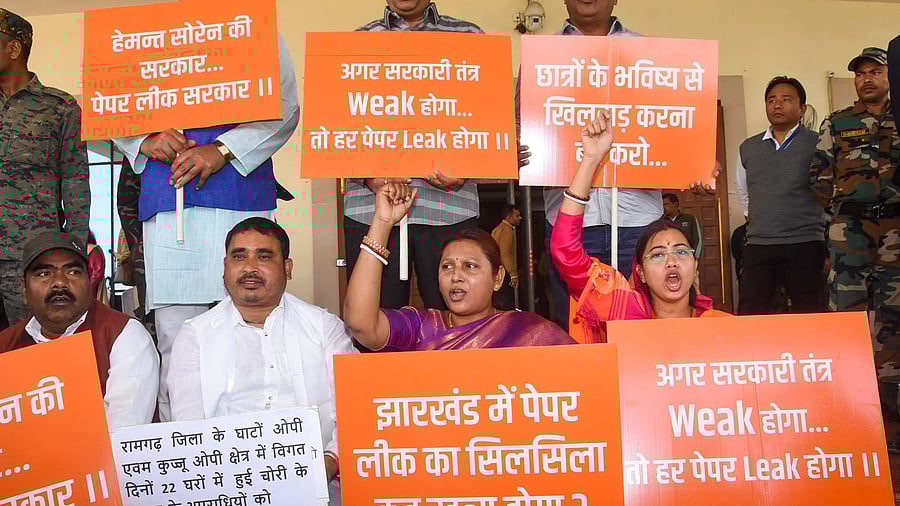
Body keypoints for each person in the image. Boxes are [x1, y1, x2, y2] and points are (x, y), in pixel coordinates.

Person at [112, 34, 299, 421]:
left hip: (242, 199)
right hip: (170, 208)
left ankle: (261, 451)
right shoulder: (141, 37)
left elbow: (285, 106)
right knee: (177, 342)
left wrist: (223, 150)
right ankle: (189, 457)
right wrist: (143, 139)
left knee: (256, 334)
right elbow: (107, 107)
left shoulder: (254, 30)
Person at [167, 218, 355, 503]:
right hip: (225, 485)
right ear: (225, 267)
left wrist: (330, 460)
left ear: (287, 268)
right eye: (239, 256)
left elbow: (352, 409)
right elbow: (188, 426)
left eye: (264, 256)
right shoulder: (195, 335)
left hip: (316, 481)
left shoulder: (323, 327)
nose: (249, 268)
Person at [515, 0, 668, 331]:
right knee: (574, 326)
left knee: (645, 326)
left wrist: (693, 168)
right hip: (568, 226)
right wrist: (513, 150)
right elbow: (517, 127)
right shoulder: (542, 59)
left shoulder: (649, 54)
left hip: (638, 222)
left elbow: (673, 128)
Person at [344, 1, 484, 313]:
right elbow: (340, 128)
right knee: (373, 323)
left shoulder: (470, 38)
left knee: (459, 326)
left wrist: (469, 167)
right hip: (372, 212)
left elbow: (488, 123)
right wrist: (368, 176)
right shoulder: (355, 44)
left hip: (451, 211)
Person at [552, 116, 728, 343]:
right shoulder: (625, 313)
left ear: (695, 266)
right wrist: (591, 159)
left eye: (681, 251)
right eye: (657, 255)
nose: (671, 261)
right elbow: (565, 251)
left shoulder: (721, 328)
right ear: (640, 273)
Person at [343, 183, 573, 351]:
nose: (456, 276)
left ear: (498, 277)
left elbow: (582, 374)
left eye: (470, 266)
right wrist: (382, 223)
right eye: (447, 267)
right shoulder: (421, 327)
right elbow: (361, 324)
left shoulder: (528, 331)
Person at [0, 234, 158, 429]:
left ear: (89, 281)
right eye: (44, 274)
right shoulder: (5, 346)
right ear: (24, 289)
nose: (60, 283)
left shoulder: (122, 334)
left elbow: (123, 434)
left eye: (73, 272)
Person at [0, 9, 89, 328]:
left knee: (30, 347)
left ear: (13, 49)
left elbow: (76, 176)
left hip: (29, 254)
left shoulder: (58, 107)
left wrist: (76, 245)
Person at [810, 47, 898, 347]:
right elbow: (818, 176)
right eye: (860, 74)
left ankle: (890, 388)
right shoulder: (837, 123)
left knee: (894, 312)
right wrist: (843, 207)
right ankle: (848, 383)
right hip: (850, 230)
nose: (866, 79)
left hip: (896, 229)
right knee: (846, 307)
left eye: (875, 72)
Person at [735, 76, 825, 315]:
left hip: (804, 243)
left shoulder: (817, 143)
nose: (777, 105)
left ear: (802, 108)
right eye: (771, 100)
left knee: (811, 313)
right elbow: (744, 194)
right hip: (759, 244)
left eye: (786, 100)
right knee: (751, 314)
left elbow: (828, 189)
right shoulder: (748, 147)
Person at [491, 205, 521, 310]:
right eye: (517, 216)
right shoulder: (507, 230)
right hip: (505, 272)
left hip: (497, 271)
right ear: (509, 217)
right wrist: (513, 273)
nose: (520, 218)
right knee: (506, 304)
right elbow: (505, 253)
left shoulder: (497, 229)